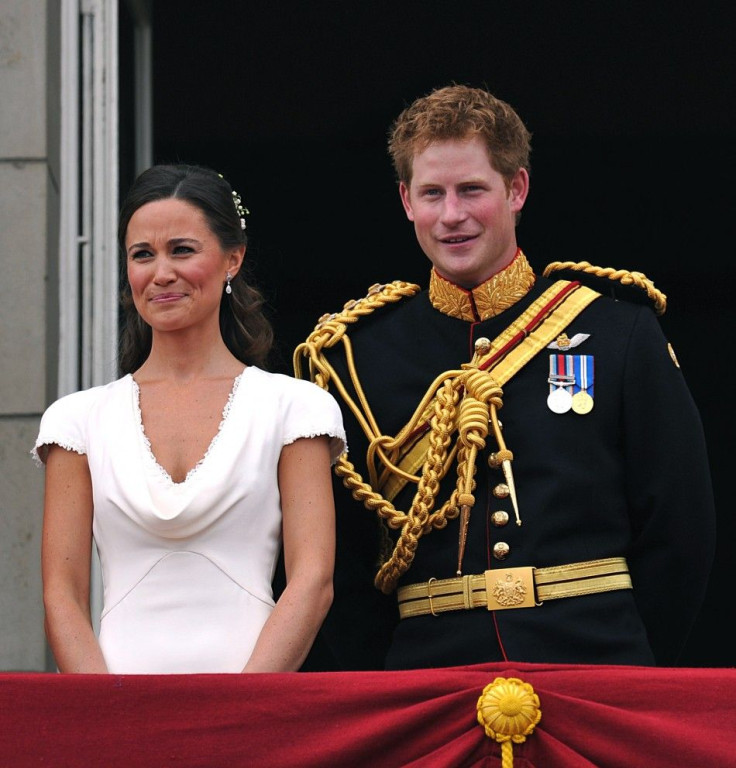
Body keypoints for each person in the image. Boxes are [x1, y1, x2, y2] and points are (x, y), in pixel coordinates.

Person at [294, 84, 716, 671]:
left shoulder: (616, 330)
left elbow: (680, 527)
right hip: (428, 681)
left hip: (593, 665)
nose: (452, 215)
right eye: (432, 193)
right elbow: (345, 560)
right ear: (405, 201)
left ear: (517, 189)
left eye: (472, 190)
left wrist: (632, 665)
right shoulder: (357, 360)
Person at [33, 164, 346, 674]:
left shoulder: (295, 408)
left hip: (252, 714)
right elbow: (61, 595)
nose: (161, 273)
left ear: (233, 259)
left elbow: (313, 580)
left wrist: (238, 714)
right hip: (120, 721)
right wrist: (111, 720)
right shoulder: (77, 420)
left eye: (182, 250)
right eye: (142, 255)